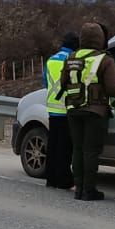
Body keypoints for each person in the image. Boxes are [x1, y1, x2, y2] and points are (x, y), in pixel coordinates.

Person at [59, 22, 115, 201]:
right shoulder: (104, 59)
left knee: (78, 149)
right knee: (91, 151)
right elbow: (113, 89)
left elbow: (63, 82)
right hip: (95, 111)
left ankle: (78, 189)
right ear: (100, 39)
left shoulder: (71, 58)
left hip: (73, 109)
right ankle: (89, 190)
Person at [42, 31, 79, 190]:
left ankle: (50, 178)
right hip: (66, 107)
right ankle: (64, 180)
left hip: (52, 107)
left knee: (53, 144)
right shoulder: (72, 60)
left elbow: (45, 82)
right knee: (65, 147)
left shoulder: (51, 60)